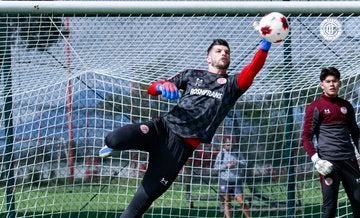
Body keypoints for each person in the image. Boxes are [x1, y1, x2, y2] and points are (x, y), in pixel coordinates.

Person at [99, 38, 272, 217]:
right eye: (219, 51)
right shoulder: (191, 74)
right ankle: (114, 146)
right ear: (208, 58)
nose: (224, 54)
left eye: (227, 52)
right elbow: (151, 90)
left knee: (139, 203)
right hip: (162, 129)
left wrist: (265, 44)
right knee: (113, 139)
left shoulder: (232, 85)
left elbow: (252, 70)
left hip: (179, 149)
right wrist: (162, 85)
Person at [301, 67, 360, 218]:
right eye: (328, 81)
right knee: (329, 208)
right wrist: (316, 160)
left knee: (359, 201)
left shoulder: (346, 106)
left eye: (334, 81)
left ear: (339, 83)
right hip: (328, 165)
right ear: (322, 84)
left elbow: (356, 134)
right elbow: (306, 137)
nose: (331, 84)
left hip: (349, 161)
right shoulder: (315, 107)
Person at [213, 136, 250, 218]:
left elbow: (245, 164)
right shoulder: (221, 154)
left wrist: (237, 162)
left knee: (241, 201)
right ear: (224, 144)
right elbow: (215, 167)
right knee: (227, 201)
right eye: (227, 143)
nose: (229, 144)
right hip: (224, 180)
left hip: (237, 180)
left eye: (231, 142)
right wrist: (226, 165)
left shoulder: (237, 152)